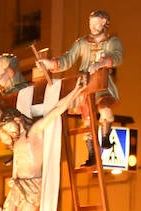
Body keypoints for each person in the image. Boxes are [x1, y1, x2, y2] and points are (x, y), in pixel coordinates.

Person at [37, 10, 123, 155]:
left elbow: (117, 57)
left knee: (106, 111)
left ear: (103, 23)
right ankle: (91, 153)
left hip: (102, 83)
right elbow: (67, 59)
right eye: (91, 23)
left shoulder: (112, 42)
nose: (92, 27)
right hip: (85, 84)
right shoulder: (82, 43)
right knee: (88, 121)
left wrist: (100, 63)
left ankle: (105, 136)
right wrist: (50, 64)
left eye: (96, 23)